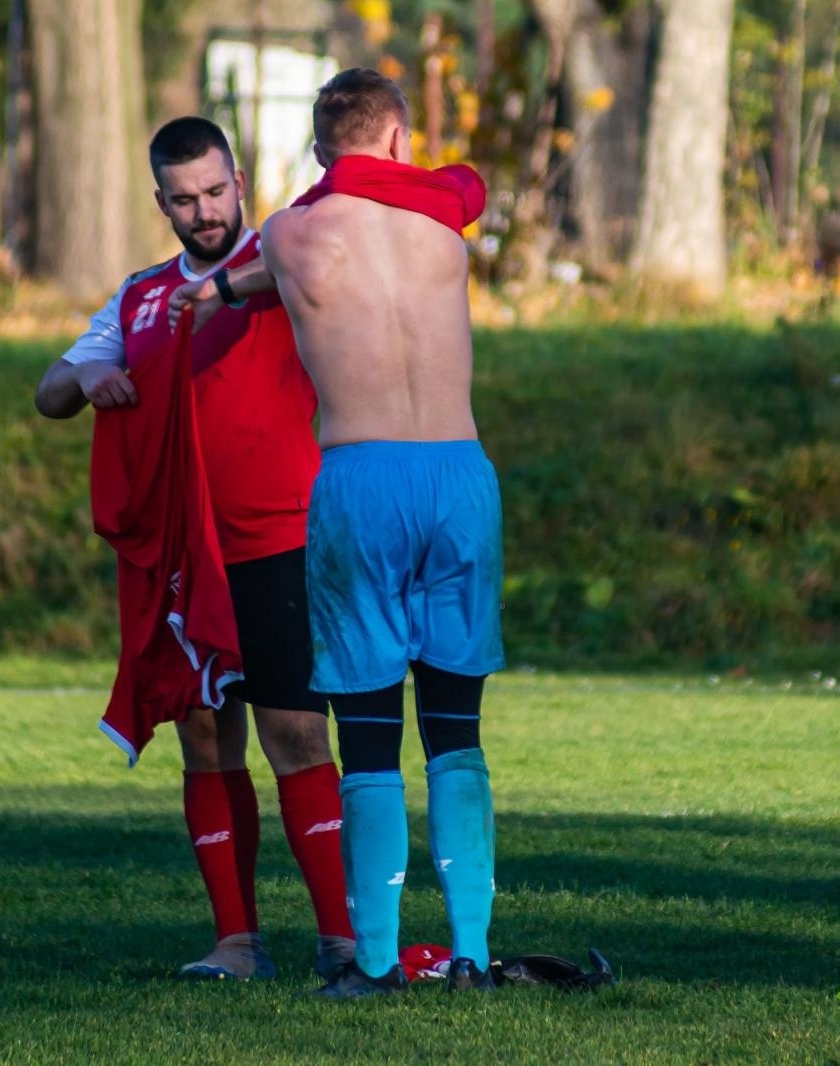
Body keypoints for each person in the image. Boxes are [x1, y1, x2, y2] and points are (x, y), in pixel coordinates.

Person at [169, 69, 504, 998]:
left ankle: (376, 959)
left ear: (318, 155)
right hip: (457, 475)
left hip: (357, 480)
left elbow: (263, 274)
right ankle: (471, 951)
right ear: (400, 139)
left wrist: (222, 293)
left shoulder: (289, 233)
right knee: (455, 732)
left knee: (364, 733)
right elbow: (463, 180)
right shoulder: (446, 207)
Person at [34, 116, 355, 982]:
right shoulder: (140, 295)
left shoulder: (285, 264)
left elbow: (349, 273)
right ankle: (237, 942)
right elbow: (49, 391)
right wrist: (88, 376)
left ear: (240, 180)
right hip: (181, 557)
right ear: (161, 202)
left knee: (295, 731)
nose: (204, 210)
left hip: (278, 540)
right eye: (185, 199)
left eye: (216, 192)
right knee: (206, 736)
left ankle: (341, 941)